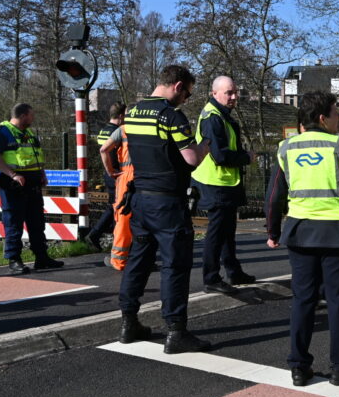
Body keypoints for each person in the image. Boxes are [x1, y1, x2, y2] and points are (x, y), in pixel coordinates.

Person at [265, 91, 339, 387]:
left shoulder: (286, 148)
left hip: (300, 232)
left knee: (303, 300)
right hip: (337, 232)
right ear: (323, 118)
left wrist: (273, 231)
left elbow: (274, 196)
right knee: (338, 302)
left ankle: (299, 366)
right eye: (337, 112)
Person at [117, 65, 212, 353]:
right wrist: (205, 146)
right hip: (168, 202)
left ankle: (129, 322)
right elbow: (190, 158)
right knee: (175, 265)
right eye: (187, 93)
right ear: (178, 85)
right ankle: (176, 331)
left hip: (141, 200)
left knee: (139, 260)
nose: (186, 99)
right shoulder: (171, 116)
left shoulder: (132, 113)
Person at [192, 75, 257, 295]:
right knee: (217, 232)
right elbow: (220, 156)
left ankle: (233, 271)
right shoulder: (213, 117)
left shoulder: (221, 115)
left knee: (228, 230)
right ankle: (211, 277)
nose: (233, 97)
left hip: (225, 182)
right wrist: (246, 157)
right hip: (215, 182)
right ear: (215, 93)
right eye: (228, 93)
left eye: (235, 92)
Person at [0, 103, 65, 275]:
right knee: (14, 223)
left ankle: (41, 258)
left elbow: (36, 156)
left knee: (37, 222)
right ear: (23, 116)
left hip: (33, 183)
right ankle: (14, 260)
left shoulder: (28, 133)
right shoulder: (2, 132)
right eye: (31, 115)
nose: (33, 118)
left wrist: (42, 174)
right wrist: (12, 174)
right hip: (14, 185)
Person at [85, 102, 126, 250]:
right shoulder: (117, 131)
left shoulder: (103, 130)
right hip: (116, 172)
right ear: (121, 116)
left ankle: (96, 235)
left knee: (112, 206)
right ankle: (115, 241)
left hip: (107, 171)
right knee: (119, 207)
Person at [99, 124, 133, 271]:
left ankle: (119, 260)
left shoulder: (124, 129)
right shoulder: (155, 123)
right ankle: (144, 259)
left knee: (123, 218)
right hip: (150, 178)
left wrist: (111, 171)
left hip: (126, 177)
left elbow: (103, 149)